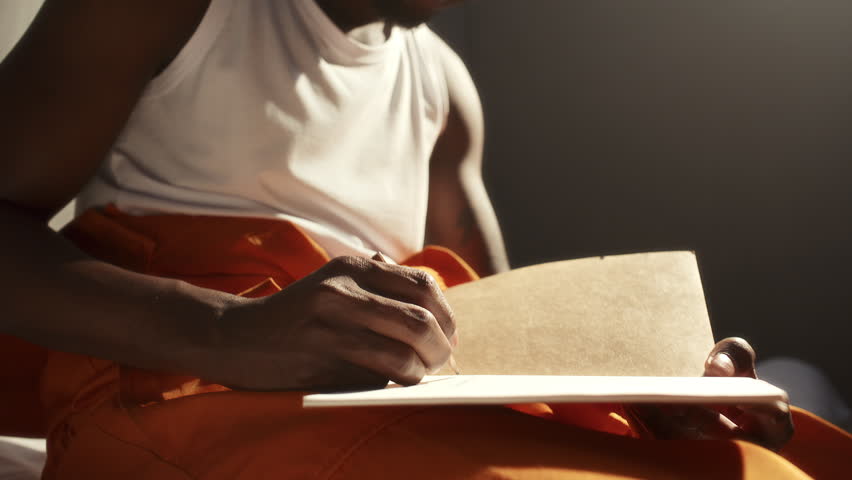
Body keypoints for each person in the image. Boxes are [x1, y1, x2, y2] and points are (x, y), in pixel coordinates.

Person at [0, 0, 848, 478]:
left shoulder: (442, 85)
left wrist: (649, 397)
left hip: (382, 399)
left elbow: (518, 342)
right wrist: (231, 332)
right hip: (170, 393)